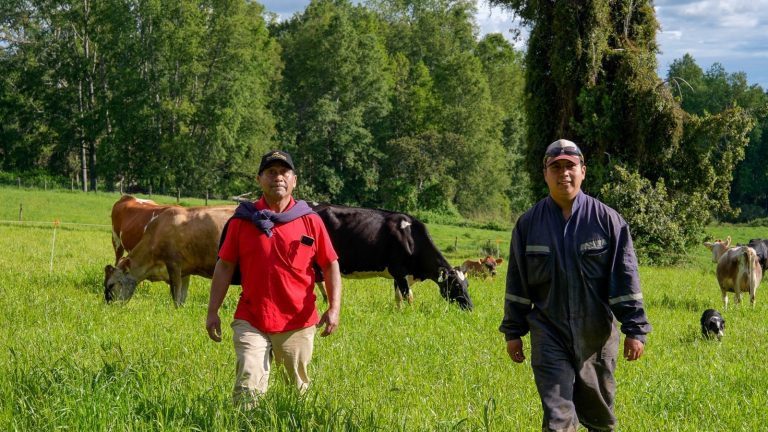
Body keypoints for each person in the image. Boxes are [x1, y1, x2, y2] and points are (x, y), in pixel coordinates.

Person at [499, 139, 651, 431]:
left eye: (570, 166)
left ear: (583, 170)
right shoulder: (528, 224)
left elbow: (626, 277)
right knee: (558, 417)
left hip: (596, 336)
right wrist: (513, 332)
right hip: (548, 332)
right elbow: (517, 282)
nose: (563, 173)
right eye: (555, 167)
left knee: (599, 419)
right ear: (545, 173)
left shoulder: (608, 221)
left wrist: (635, 330)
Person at [206, 149, 342, 408]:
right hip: (252, 317)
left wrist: (334, 308)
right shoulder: (242, 221)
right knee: (248, 381)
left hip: (297, 321)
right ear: (259, 180)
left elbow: (330, 264)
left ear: (294, 180)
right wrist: (212, 311)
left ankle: (295, 423)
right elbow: (224, 266)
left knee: (296, 389)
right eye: (271, 172)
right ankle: (247, 424)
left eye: (283, 172)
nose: (277, 177)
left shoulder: (310, 221)